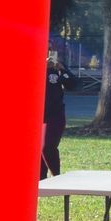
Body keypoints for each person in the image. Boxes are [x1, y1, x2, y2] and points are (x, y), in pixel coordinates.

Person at [42, 50, 76, 179]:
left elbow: (74, 85)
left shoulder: (57, 67)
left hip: (55, 114)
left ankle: (57, 178)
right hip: (37, 115)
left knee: (48, 147)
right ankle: (41, 182)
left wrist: (63, 70)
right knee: (38, 151)